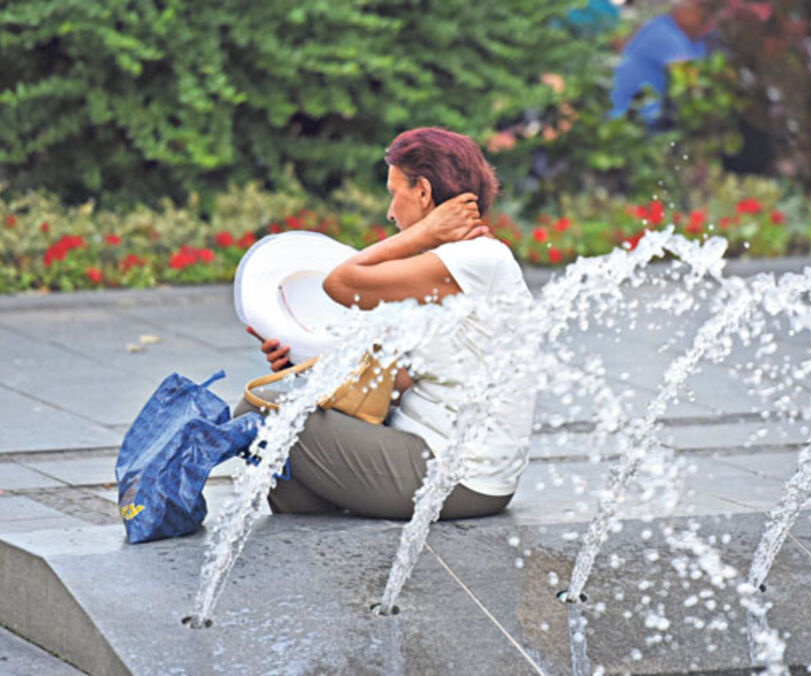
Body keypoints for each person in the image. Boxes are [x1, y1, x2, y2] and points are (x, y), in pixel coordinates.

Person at [234, 127, 535, 520]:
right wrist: (299, 363)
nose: (390, 212)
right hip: (429, 452)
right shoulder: (448, 265)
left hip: (458, 474)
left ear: (423, 192)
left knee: (258, 410)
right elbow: (397, 382)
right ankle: (321, 517)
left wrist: (424, 231)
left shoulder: (479, 259)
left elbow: (339, 283)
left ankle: (322, 512)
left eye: (395, 194)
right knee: (286, 429)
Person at [608, 0, 716, 125]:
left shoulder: (674, 31)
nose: (703, 18)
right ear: (683, 12)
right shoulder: (666, 34)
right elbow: (692, 84)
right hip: (632, 117)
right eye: (699, 11)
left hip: (641, 113)